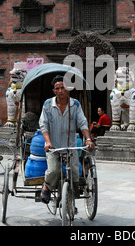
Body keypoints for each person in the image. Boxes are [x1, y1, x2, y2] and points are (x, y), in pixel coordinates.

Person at [39, 75, 94, 204]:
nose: (60, 91)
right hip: (53, 147)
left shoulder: (75, 104)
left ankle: (71, 197)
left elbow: (82, 122)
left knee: (75, 171)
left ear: (67, 89)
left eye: (63, 88)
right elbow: (43, 124)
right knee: (54, 170)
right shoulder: (48, 104)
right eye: (57, 88)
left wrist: (88, 139)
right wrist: (47, 141)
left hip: (70, 146)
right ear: (54, 91)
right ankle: (46, 186)